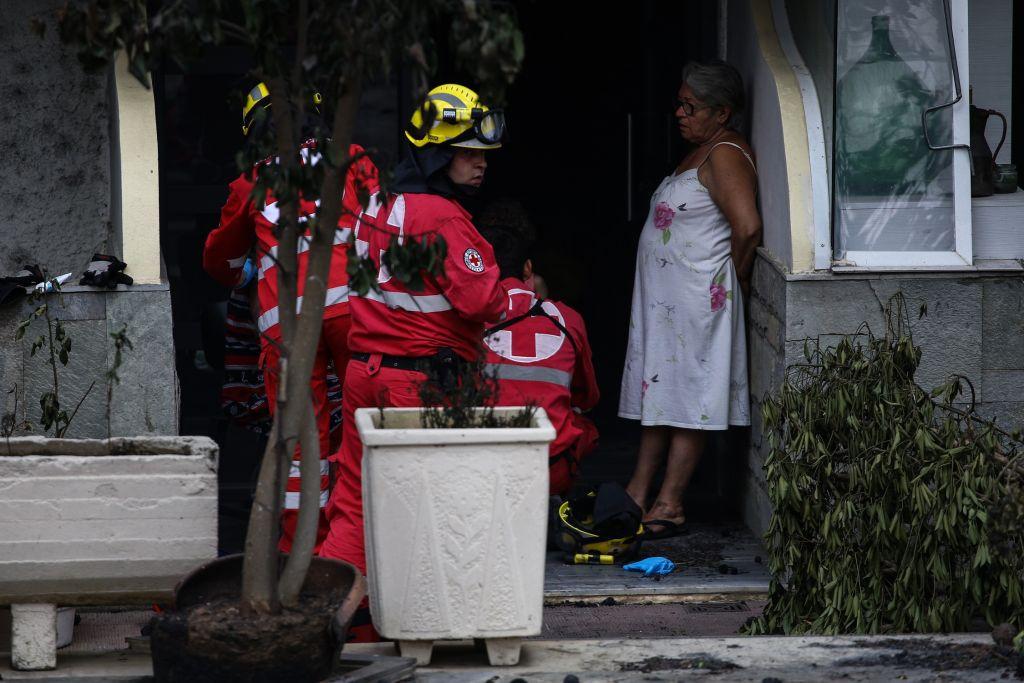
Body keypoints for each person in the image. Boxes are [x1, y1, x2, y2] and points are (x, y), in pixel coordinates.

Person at [319, 84, 509, 579]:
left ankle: (336, 611)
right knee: (439, 502)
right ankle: (427, 612)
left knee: (355, 501)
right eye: (467, 153)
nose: (480, 163)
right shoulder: (443, 216)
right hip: (424, 384)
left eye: (482, 153)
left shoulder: (377, 205)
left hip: (366, 374)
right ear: (437, 155)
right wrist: (506, 287)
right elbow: (481, 301)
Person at [203, 82, 379, 553]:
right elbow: (386, 228)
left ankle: (300, 553)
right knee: (364, 432)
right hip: (354, 315)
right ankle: (359, 542)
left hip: (288, 328)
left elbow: (217, 260)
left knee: (302, 450)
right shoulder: (355, 159)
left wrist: (249, 274)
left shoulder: (252, 181)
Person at [619, 60, 761, 539]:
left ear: (721, 113)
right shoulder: (701, 151)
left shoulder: (724, 154)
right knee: (663, 394)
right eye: (679, 103)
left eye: (690, 106)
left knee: (690, 400)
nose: (679, 113)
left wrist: (734, 279)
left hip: (700, 303)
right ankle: (637, 495)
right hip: (672, 304)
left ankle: (669, 502)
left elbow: (748, 226)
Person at [477, 206, 600, 496]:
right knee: (585, 427)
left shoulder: (462, 322)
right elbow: (588, 396)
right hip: (550, 470)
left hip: (479, 469)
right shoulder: (569, 318)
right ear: (529, 269)